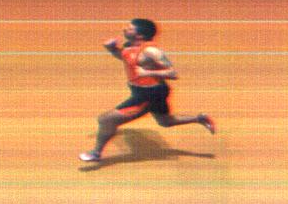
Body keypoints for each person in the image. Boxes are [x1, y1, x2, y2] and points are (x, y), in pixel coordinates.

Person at [79, 19, 217, 162]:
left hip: (150, 94)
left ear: (140, 35)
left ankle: (95, 154)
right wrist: (112, 49)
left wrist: (147, 73)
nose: (125, 29)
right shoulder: (130, 46)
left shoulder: (151, 51)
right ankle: (200, 118)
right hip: (143, 90)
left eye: (130, 28)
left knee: (106, 119)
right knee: (165, 121)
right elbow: (126, 57)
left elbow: (172, 73)